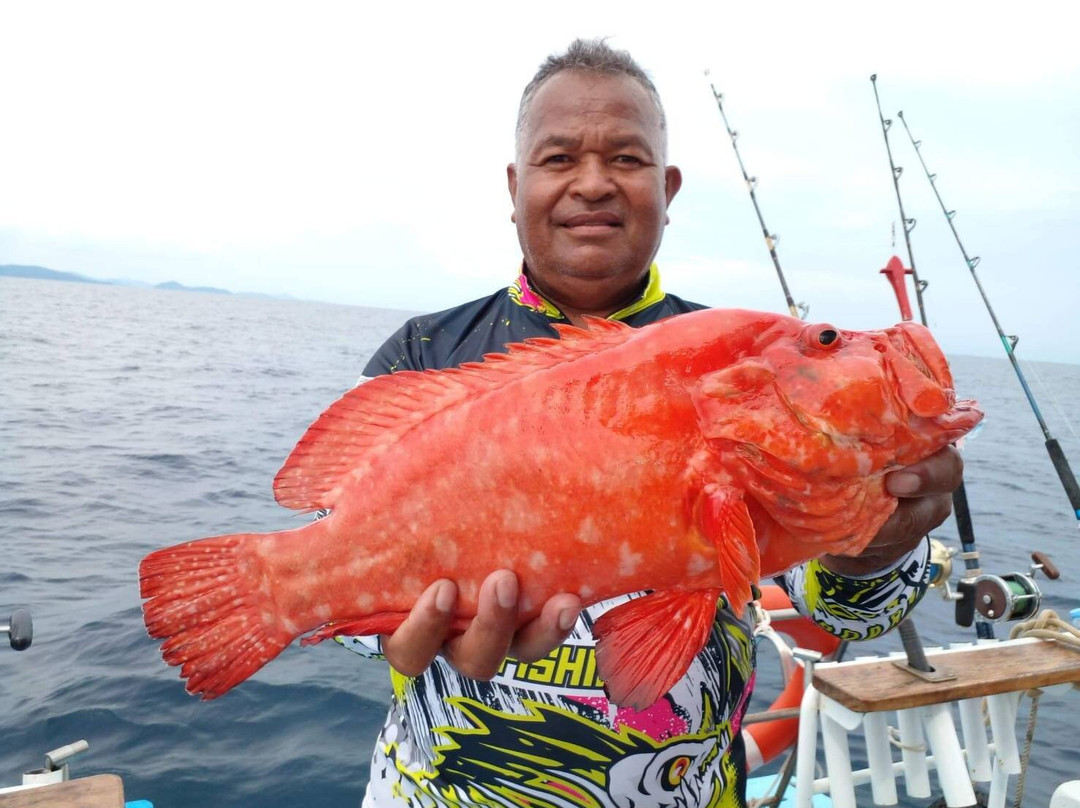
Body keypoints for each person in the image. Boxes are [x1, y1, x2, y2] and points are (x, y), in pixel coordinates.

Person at [339, 39, 962, 808]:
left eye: (627, 160)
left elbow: (840, 609)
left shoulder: (742, 364)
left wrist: (881, 545)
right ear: (516, 184)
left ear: (667, 188)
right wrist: (388, 629)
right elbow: (340, 565)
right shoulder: (422, 356)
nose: (592, 183)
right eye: (559, 157)